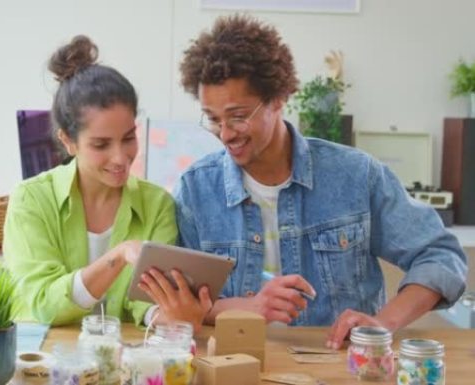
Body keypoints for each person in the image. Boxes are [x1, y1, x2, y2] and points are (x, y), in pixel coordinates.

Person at [142, 14, 467, 349]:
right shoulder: (195, 191)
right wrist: (250, 309)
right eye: (212, 119)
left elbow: (440, 255)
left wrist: (381, 324)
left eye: (238, 117)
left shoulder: (355, 175)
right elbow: (191, 304)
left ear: (278, 99)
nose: (224, 134)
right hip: (235, 365)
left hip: (342, 365)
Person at [3, 35, 210, 329]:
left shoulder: (156, 205)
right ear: (68, 141)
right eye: (101, 145)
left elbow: (145, 304)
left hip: (122, 363)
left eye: (128, 138)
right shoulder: (31, 199)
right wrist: (120, 254)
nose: (120, 158)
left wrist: (171, 318)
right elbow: (44, 303)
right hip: (45, 364)